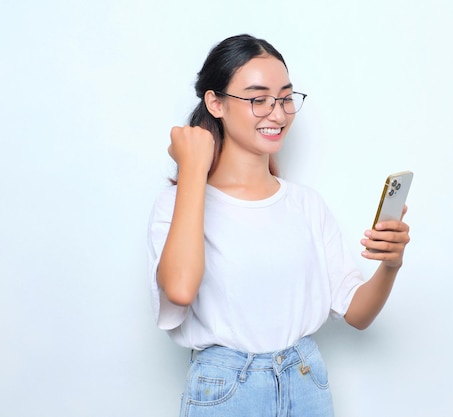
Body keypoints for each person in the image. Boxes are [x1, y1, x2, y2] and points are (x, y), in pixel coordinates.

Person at [147, 34, 410, 417]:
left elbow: (357, 314)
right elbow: (181, 290)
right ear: (215, 103)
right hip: (226, 393)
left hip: (307, 383)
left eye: (286, 98)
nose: (278, 113)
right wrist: (193, 169)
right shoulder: (177, 205)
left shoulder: (306, 205)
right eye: (258, 99)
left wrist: (390, 264)